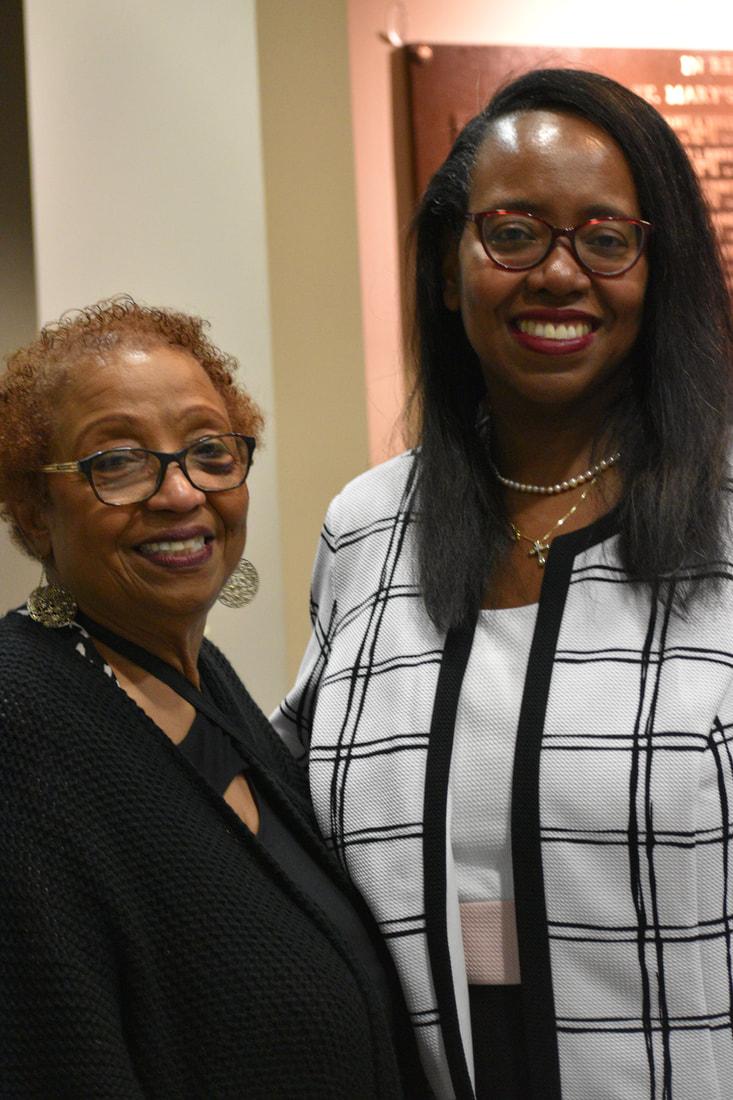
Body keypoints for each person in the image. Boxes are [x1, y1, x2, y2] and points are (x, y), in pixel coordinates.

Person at [272, 68, 733, 1100]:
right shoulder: (367, 529)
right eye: (513, 233)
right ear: (449, 268)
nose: (559, 274)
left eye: (606, 239)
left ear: (658, 273)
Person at [0, 297, 429, 1098]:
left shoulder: (206, 685)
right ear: (34, 506)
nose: (180, 492)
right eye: (117, 462)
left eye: (208, 450)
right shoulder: (19, 717)